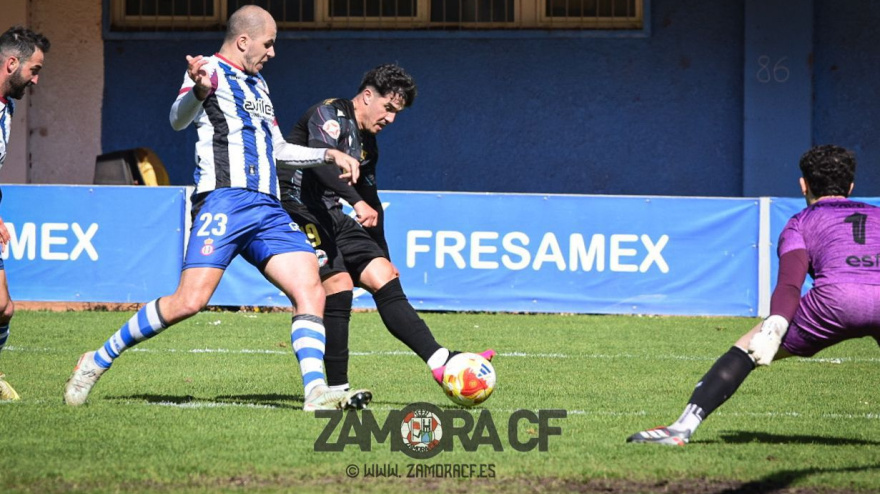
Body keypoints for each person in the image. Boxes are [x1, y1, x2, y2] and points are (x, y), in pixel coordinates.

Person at [63, 5, 369, 411]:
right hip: (224, 200)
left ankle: (314, 391)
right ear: (243, 40)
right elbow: (177, 119)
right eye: (269, 43)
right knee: (189, 301)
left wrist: (326, 155)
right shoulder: (207, 69)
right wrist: (198, 91)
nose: (273, 52)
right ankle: (95, 360)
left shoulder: (259, 85)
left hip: (268, 206)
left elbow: (276, 148)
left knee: (309, 284)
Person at [628, 144, 880, 445]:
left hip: (833, 303)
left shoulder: (800, 223)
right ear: (851, 186)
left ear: (804, 185)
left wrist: (774, 328)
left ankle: (681, 429)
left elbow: (790, 285)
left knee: (745, 350)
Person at [278, 63, 494, 395]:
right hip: (297, 208)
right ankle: (337, 389)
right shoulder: (328, 114)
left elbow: (371, 201)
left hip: (331, 212)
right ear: (367, 96)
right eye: (388, 108)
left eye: (397, 112)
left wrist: (383, 254)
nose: (391, 118)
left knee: (383, 275)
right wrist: (356, 202)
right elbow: (323, 165)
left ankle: (440, 361)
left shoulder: (367, 144)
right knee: (339, 284)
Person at [0, 26, 50, 401]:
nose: (35, 79)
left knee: (3, 308)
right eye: (34, 70)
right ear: (11, 63)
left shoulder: (8, 107)